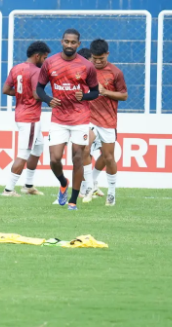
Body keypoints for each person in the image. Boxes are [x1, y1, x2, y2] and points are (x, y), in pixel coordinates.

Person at [36, 29, 99, 210]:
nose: (69, 45)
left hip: (80, 118)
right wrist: (48, 99)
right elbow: (39, 88)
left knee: (77, 157)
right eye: (67, 41)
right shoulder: (50, 62)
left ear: (78, 44)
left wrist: (84, 96)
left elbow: (95, 92)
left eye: (73, 42)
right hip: (59, 118)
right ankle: (63, 183)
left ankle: (73, 200)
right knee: (54, 159)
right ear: (61, 42)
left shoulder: (87, 66)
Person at [1, 41, 51, 197]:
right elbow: (37, 94)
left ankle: (28, 185)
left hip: (21, 114)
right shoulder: (36, 71)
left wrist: (22, 94)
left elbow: (6, 90)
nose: (45, 61)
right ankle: (8, 189)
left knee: (38, 147)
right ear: (37, 56)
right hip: (30, 117)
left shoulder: (16, 68)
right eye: (44, 58)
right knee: (24, 153)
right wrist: (51, 99)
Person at [81, 39, 127, 206]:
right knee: (84, 148)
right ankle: (88, 186)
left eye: (101, 59)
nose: (98, 62)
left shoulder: (115, 73)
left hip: (107, 120)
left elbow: (124, 95)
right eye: (95, 59)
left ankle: (111, 193)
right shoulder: (85, 70)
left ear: (107, 54)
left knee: (108, 157)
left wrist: (105, 91)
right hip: (89, 118)